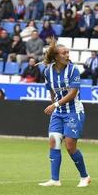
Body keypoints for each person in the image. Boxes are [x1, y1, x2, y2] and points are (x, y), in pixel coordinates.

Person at [39, 39, 91, 187]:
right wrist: (54, 105)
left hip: (74, 112)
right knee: (54, 142)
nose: (67, 55)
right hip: (58, 113)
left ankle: (85, 176)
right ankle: (55, 179)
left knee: (69, 146)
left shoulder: (73, 70)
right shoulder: (47, 71)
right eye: (64, 53)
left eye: (68, 52)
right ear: (56, 57)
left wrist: (54, 105)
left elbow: (73, 93)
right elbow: (51, 90)